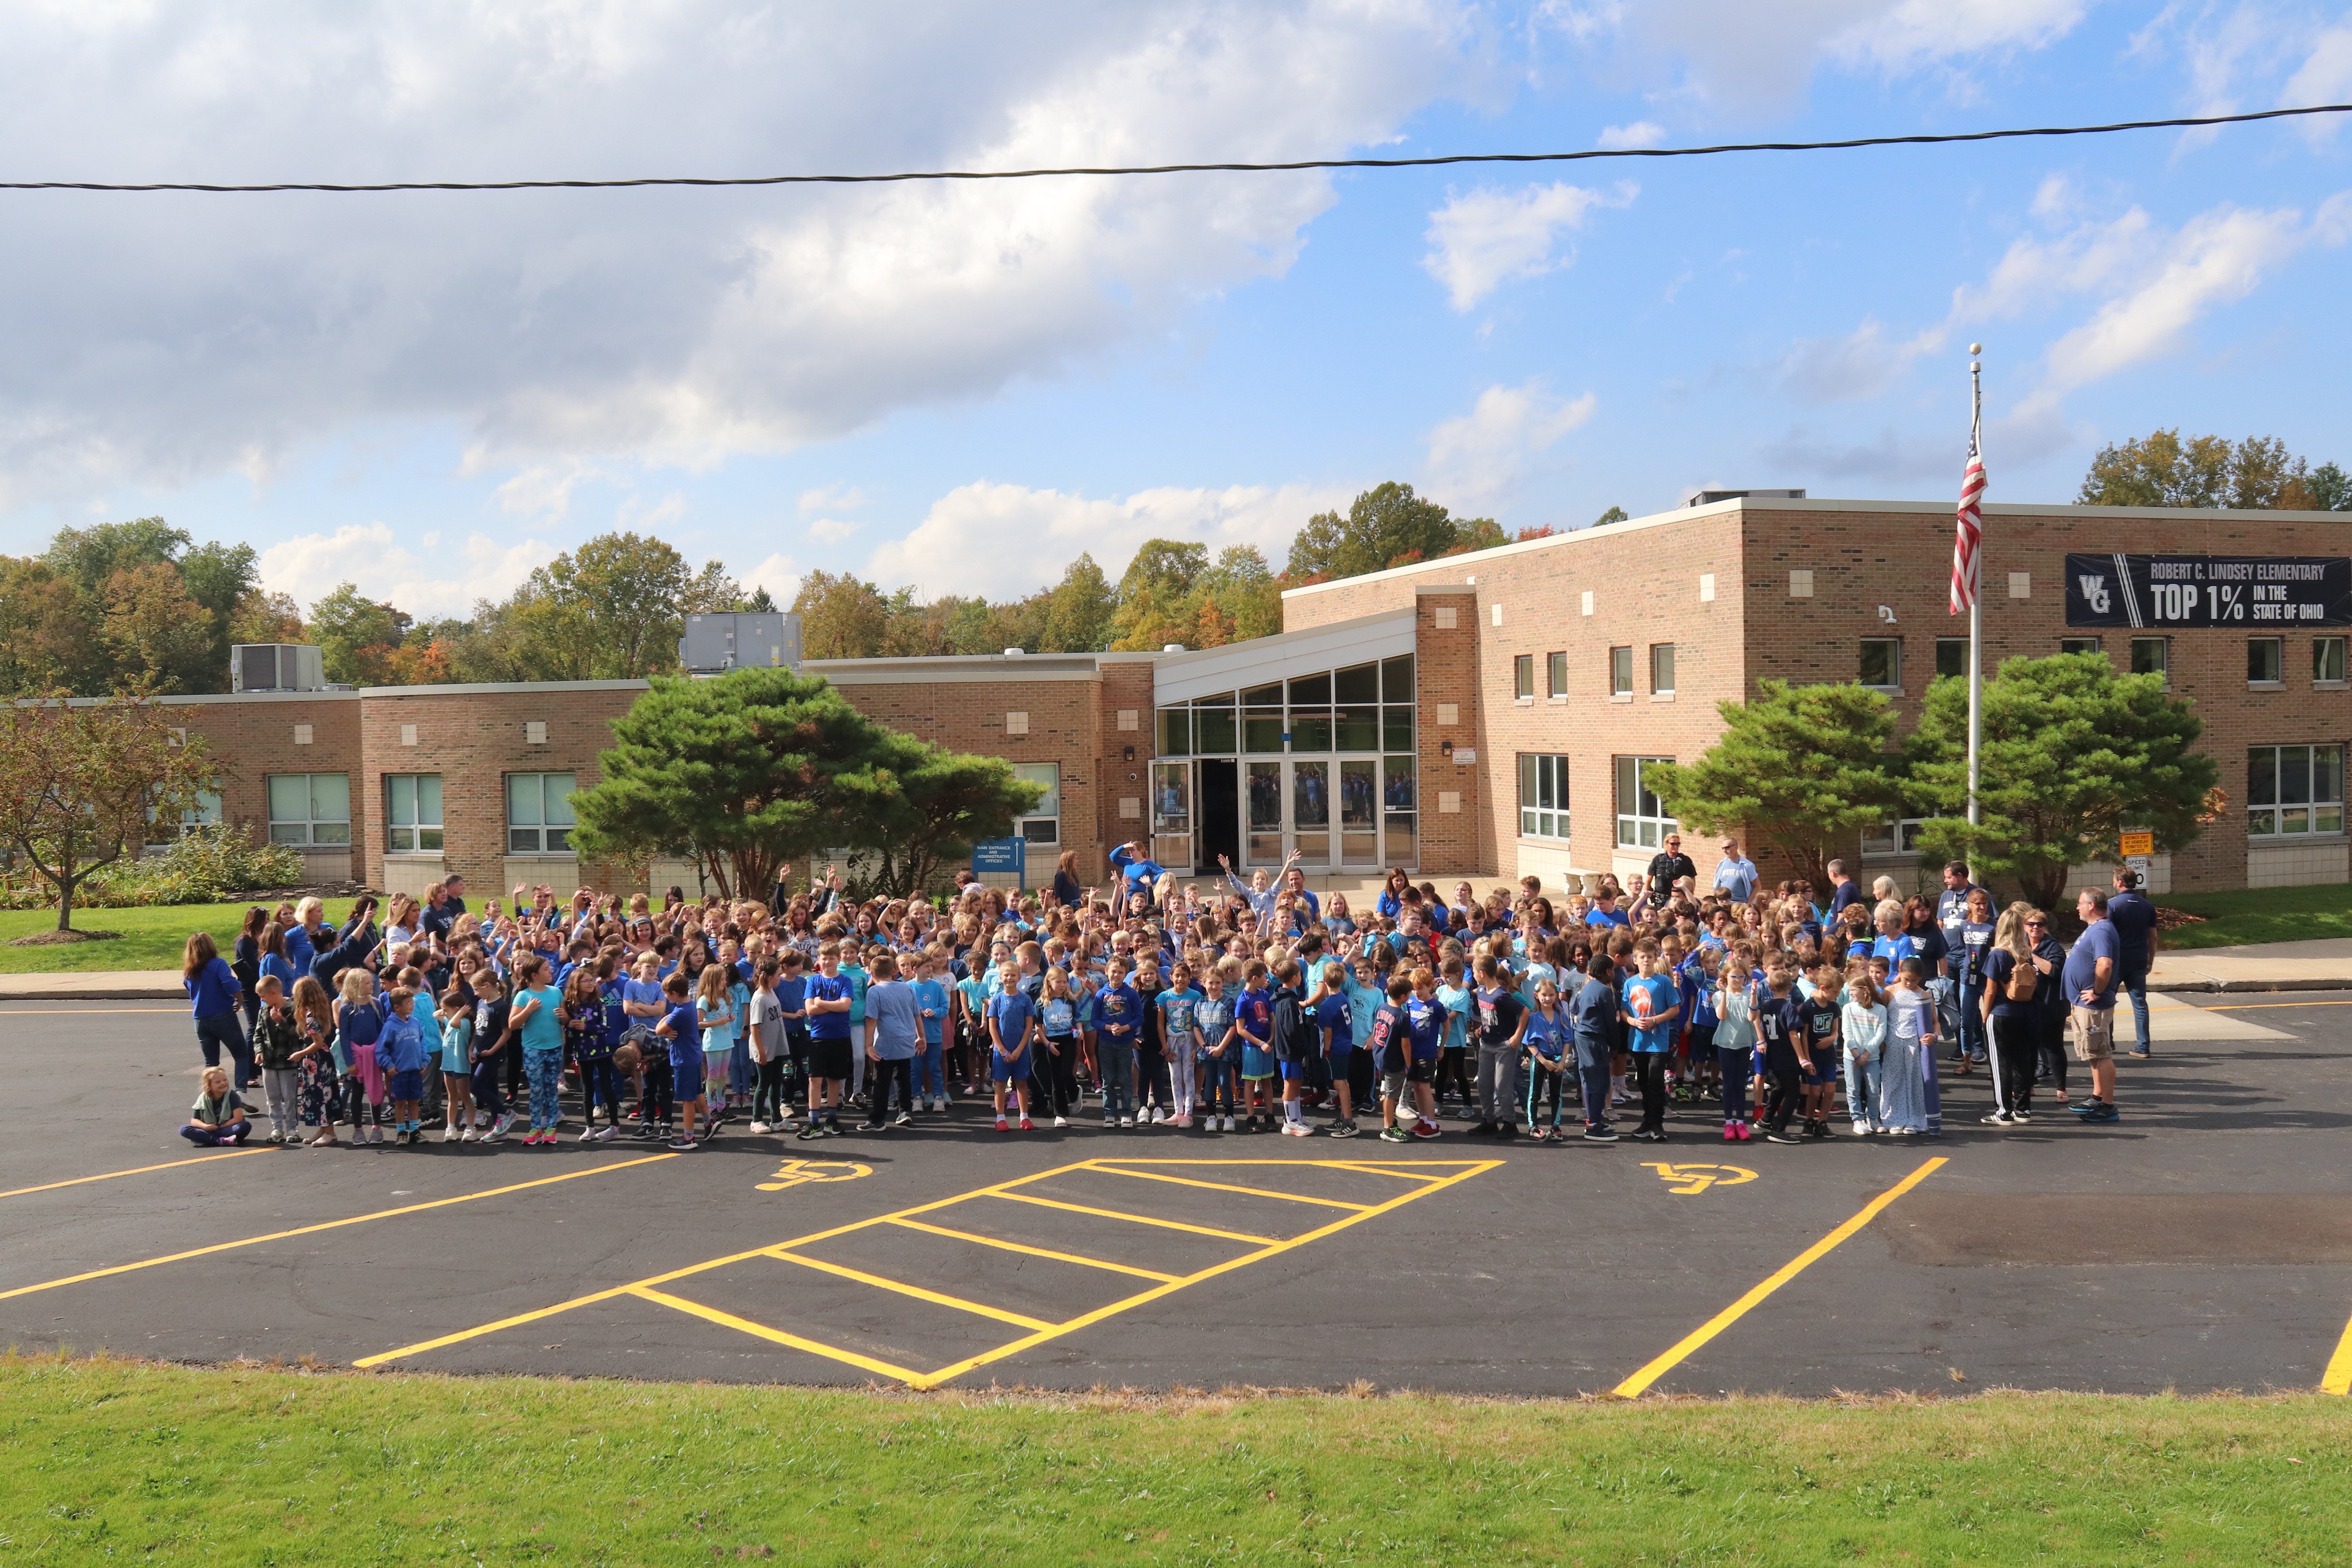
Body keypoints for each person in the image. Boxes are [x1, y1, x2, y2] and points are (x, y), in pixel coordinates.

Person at [2063, 887, 2122, 1123]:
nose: (2077, 907)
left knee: (2100, 1053)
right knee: (2093, 1053)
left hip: (2093, 1006)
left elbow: (2105, 964)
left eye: (2080, 903)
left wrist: (2098, 991)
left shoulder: (2102, 930)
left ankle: (2108, 1106)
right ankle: (2097, 1098)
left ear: (2091, 905)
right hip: (2082, 1004)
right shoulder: (2095, 929)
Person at [1981, 905, 2040, 1125]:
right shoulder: (2026, 954)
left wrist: (1985, 1015)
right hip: (2025, 1013)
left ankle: (2003, 1110)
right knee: (2022, 1062)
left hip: (2002, 1013)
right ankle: (2023, 1109)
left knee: (2000, 1064)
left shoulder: (1997, 954)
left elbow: (1990, 990)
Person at [1619, 944, 1680, 1142]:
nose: (1646, 960)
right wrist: (1633, 1021)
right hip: (1639, 1042)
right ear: (1635, 960)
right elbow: (1624, 1011)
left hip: (1659, 1042)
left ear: (1656, 959)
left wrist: (1655, 1020)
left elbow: (1675, 1009)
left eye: (1650, 957)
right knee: (1643, 1082)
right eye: (1642, 957)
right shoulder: (1630, 983)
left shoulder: (1663, 982)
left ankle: (1658, 1123)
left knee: (1656, 1080)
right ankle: (1648, 1120)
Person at [859, 953, 922, 1131]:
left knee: (881, 1082)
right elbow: (916, 1014)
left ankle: (877, 1119)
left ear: (872, 974)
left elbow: (871, 1020)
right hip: (906, 1040)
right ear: (895, 971)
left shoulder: (875, 991)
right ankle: (905, 1112)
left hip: (886, 1042)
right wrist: (921, 1037)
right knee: (904, 1078)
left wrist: (869, 1045)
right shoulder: (907, 988)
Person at [1469, 954, 1529, 1138]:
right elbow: (1488, 1017)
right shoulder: (1480, 992)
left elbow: (1525, 1011)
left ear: (1482, 973)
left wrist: (1517, 1036)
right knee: (1484, 1085)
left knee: (1502, 1087)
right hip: (1487, 1043)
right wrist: (1481, 1030)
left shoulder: (1501, 995)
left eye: (1473, 971)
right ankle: (1489, 1121)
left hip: (1504, 1045)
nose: (1472, 975)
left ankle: (1510, 1124)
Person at [800, 942, 855, 1140]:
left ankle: (832, 1119)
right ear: (819, 960)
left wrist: (821, 1002)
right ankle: (814, 1122)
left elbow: (845, 1006)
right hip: (818, 1037)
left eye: (832, 958)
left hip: (840, 1037)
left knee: (835, 1079)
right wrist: (832, 1005)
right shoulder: (813, 982)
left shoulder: (845, 981)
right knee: (815, 1079)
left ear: (838, 960)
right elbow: (810, 1010)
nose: (828, 962)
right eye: (825, 958)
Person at [182, 932, 249, 1092]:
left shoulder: (190, 970)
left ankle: (211, 1095)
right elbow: (229, 982)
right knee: (241, 1054)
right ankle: (241, 1090)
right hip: (222, 1014)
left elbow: (188, 986)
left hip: (200, 1018)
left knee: (211, 1062)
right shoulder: (218, 964)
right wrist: (239, 998)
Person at [2108, 868, 2160, 1058]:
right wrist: (2150, 960)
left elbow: (2107, 934)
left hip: (2117, 961)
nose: (2114, 883)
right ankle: (2143, 1045)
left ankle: (2108, 1042)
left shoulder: (2112, 906)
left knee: (2108, 1001)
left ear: (2120, 882)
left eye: (2114, 880)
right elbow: (2153, 937)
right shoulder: (2147, 906)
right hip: (2139, 960)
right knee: (2139, 1003)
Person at [653, 968, 706, 1150]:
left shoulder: (680, 1012)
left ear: (675, 994)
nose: (667, 997)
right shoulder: (688, 1005)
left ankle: (689, 1137)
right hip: (693, 1056)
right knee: (697, 1092)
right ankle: (708, 1122)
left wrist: (666, 1027)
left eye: (667, 994)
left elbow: (658, 1030)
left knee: (687, 1100)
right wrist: (669, 1027)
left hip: (684, 1059)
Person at [249, 975, 305, 1144]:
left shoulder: (292, 1010)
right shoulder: (263, 1011)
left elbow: (299, 1034)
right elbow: (258, 1035)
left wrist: (281, 1022)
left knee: (289, 1097)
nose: (262, 1000)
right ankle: (277, 1128)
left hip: (287, 1062)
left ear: (274, 993)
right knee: (272, 1097)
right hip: (269, 1063)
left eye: (263, 996)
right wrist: (259, 1051)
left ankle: (292, 1128)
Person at [987, 960, 1041, 1132]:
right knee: (1001, 1084)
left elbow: (1029, 1027)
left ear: (1019, 977)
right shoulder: (997, 1000)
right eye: (1006, 975)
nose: (1010, 978)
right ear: (1001, 978)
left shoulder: (1025, 1000)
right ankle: (1000, 1118)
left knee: (1022, 1083)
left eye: (1013, 975)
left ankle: (1024, 1117)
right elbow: (993, 1026)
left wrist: (1019, 1050)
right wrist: (1003, 1050)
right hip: (1000, 1052)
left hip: (1020, 1051)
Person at [1840, 973, 1887, 1137]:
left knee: (1874, 1090)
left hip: (1871, 1058)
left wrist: (1866, 1054)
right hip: (1851, 1058)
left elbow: (1881, 1034)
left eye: (1853, 990)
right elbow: (1847, 1033)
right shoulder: (1848, 1008)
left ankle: (1873, 1119)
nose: (1851, 993)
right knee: (1853, 1089)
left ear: (1865, 990)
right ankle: (1857, 1119)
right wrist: (1856, 1054)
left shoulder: (1880, 1010)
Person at [181, 1066, 251, 1146]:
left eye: (225, 1080)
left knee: (244, 1126)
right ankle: (220, 1140)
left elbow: (238, 1118)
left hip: (226, 1128)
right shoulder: (203, 1098)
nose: (223, 1083)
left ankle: (209, 1139)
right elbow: (194, 1121)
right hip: (210, 1129)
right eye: (218, 1082)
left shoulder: (232, 1096)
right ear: (209, 1085)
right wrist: (206, 1127)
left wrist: (221, 1126)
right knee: (184, 1129)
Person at [1645, 834, 1697, 909]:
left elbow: (1693, 880)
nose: (1676, 847)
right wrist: (1646, 899)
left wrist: (1690, 896)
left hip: (1679, 900)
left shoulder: (1685, 861)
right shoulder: (1658, 859)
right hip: (1661, 900)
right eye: (1673, 844)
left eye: (1678, 844)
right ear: (1666, 844)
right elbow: (1648, 880)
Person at [1711, 839, 1759, 903]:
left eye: (1727, 848)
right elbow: (1717, 885)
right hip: (1724, 903)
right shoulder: (1722, 864)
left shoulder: (1747, 865)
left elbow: (1758, 886)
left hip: (1740, 904)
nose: (1725, 851)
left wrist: (1749, 902)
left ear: (1736, 847)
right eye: (1723, 848)